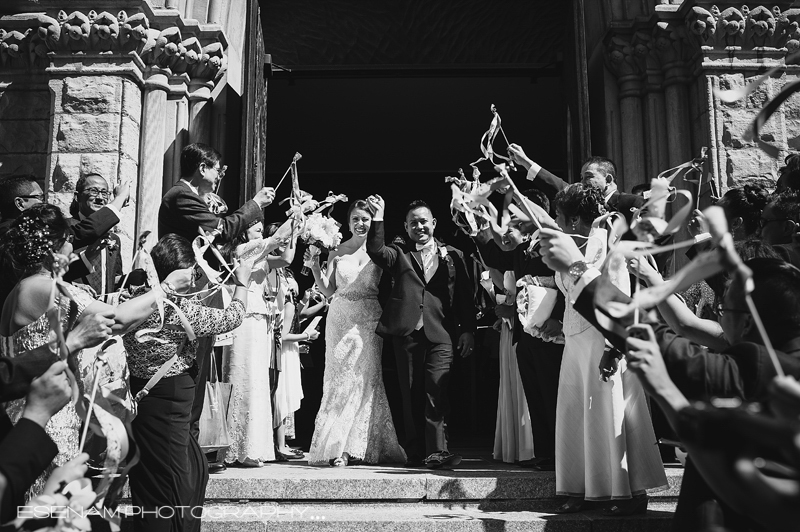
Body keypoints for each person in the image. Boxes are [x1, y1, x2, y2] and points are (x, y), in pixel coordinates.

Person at [538, 229, 800, 531]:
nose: (718, 313)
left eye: (723, 307)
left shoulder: (759, 367)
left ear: (748, 320)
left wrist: (577, 269)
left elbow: (657, 342)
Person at [549, 184, 666, 514]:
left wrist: (614, 349)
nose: (556, 221)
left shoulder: (609, 244)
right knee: (575, 412)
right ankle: (581, 486)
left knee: (613, 413)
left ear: (573, 220)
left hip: (603, 338)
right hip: (575, 339)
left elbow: (618, 295)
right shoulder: (574, 245)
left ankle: (627, 491)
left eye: (559, 216)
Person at [158, 142, 275, 471]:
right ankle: (184, 451)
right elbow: (220, 230)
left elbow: (218, 239)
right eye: (217, 169)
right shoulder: (180, 195)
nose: (221, 175)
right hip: (185, 293)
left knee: (198, 369)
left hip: (198, 292)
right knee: (188, 369)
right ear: (201, 168)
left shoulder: (188, 197)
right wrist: (255, 205)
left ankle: (191, 449)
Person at [122, 234, 250, 532]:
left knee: (163, 473)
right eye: (193, 271)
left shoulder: (137, 298)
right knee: (175, 480)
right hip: (170, 399)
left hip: (145, 397)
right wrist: (242, 282)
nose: (196, 278)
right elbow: (233, 317)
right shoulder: (176, 308)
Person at [366, 196, 476, 469]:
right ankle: (416, 452)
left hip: (441, 334)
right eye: (413, 223)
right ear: (406, 227)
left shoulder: (454, 255)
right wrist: (378, 216)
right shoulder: (399, 253)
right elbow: (376, 250)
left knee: (436, 391)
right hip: (407, 333)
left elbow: (464, 299)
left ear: (434, 223)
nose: (419, 227)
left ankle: (438, 450)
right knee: (411, 393)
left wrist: (468, 331)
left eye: (424, 221)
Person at [306, 200, 406, 467]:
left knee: (365, 378)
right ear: (348, 222)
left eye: (365, 219)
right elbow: (328, 291)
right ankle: (335, 445)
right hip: (339, 318)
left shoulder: (379, 251)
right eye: (356, 219)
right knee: (338, 379)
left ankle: (354, 447)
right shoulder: (337, 250)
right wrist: (315, 266)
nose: (360, 224)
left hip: (368, 318)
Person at [474, 190, 564, 470]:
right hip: (526, 334)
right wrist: (476, 217)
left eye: (515, 212)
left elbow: (568, 281)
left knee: (552, 394)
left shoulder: (555, 241)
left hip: (550, 332)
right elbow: (491, 254)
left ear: (534, 210)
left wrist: (559, 317)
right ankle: (546, 454)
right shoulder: (523, 247)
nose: (510, 218)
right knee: (535, 394)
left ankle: (562, 455)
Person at [220, 219, 284, 467]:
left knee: (257, 381)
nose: (260, 229)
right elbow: (276, 239)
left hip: (260, 320)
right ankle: (233, 446)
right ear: (243, 231)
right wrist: (298, 215)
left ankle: (253, 446)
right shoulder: (242, 250)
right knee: (241, 376)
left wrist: (300, 230)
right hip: (243, 317)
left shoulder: (260, 254)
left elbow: (286, 257)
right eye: (255, 226)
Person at [507, 144, 645, 224]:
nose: (582, 182)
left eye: (588, 177)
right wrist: (525, 162)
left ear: (608, 180)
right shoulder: (582, 201)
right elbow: (558, 186)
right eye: (581, 177)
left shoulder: (631, 203)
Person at [65, 173, 124, 297]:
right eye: (94, 191)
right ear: (77, 196)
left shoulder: (114, 239)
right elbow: (51, 273)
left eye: (104, 193)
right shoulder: (66, 228)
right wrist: (72, 286)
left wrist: (124, 286)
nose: (100, 198)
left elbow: (114, 279)